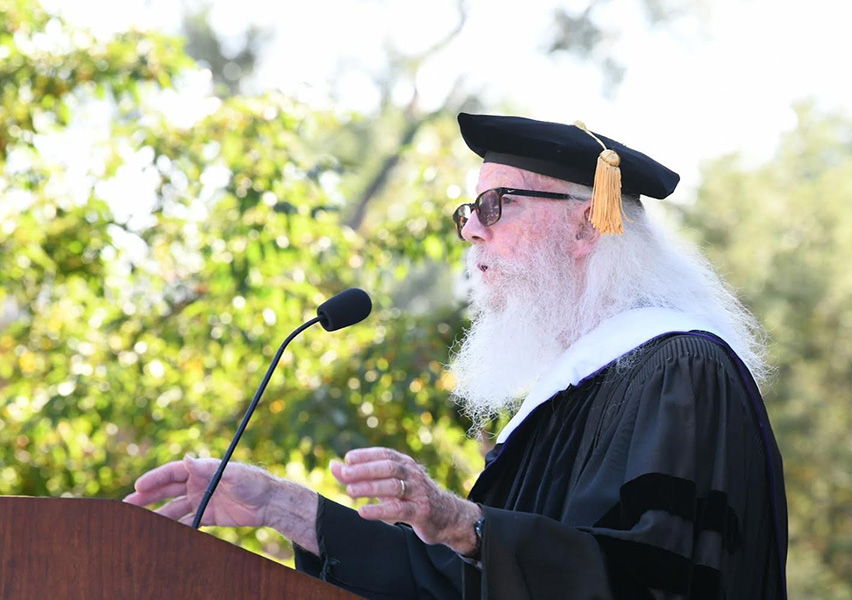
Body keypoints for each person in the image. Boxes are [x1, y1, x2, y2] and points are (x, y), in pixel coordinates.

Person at [125, 114, 788, 599]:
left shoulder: (679, 372)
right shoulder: (576, 390)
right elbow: (469, 588)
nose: (472, 228)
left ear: (587, 224)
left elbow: (659, 581)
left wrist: (464, 523)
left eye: (496, 205)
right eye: (468, 210)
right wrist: (284, 507)